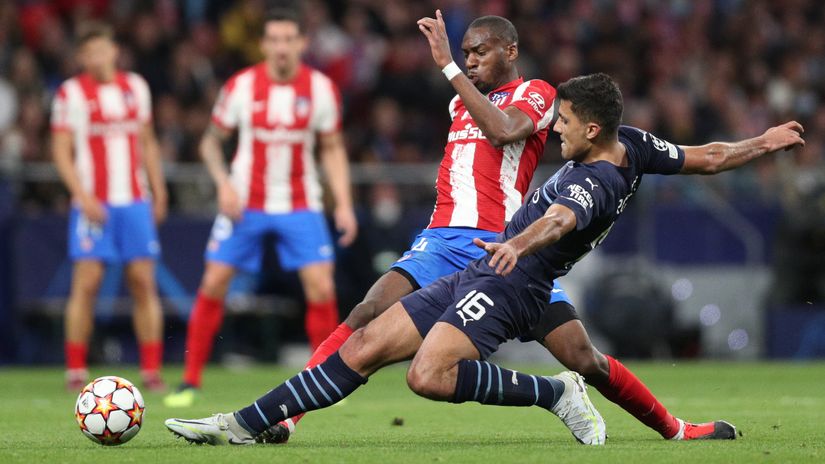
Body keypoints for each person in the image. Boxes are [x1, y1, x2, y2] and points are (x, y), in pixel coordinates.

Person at [257, 11, 738, 443]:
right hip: (442, 239)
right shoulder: (459, 104)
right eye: (464, 55)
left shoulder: (537, 94)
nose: (469, 62)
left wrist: (446, 67)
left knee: (582, 355)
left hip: (503, 245)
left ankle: (674, 428)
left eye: (479, 52)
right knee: (367, 312)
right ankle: (287, 417)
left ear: (510, 51)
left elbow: (505, 130)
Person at [163, 8, 357, 407]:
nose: (282, 48)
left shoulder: (320, 88)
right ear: (264, 44)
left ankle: (323, 383)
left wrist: (345, 204)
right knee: (214, 281)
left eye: (290, 39)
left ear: (301, 43)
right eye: (275, 40)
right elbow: (210, 142)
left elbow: (333, 148)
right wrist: (222, 185)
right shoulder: (242, 86)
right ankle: (190, 380)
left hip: (300, 202)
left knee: (320, 286)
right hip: (244, 203)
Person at [51, 23, 168, 391]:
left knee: (143, 282)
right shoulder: (70, 94)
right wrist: (83, 197)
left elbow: (147, 142)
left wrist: (159, 190)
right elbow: (60, 150)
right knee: (86, 284)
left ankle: (150, 370)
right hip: (92, 203)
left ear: (114, 50)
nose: (98, 58)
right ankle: (75, 370)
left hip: (134, 199)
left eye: (103, 49)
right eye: (90, 52)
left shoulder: (135, 88)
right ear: (82, 57)